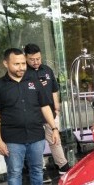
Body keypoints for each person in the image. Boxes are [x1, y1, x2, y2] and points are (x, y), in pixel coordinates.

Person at [0, 48, 59, 185]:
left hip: (36, 134)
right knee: (14, 172)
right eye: (16, 64)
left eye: (22, 63)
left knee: (36, 168)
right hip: (12, 138)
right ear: (6, 64)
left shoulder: (34, 80)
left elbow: (44, 106)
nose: (21, 67)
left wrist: (54, 128)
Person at [24, 43, 70, 175]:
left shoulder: (47, 70)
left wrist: (56, 106)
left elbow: (54, 89)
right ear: (26, 57)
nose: (36, 62)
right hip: (33, 114)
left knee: (55, 139)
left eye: (38, 58)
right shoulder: (24, 73)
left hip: (50, 112)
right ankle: (39, 170)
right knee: (36, 144)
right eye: (32, 59)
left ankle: (63, 166)